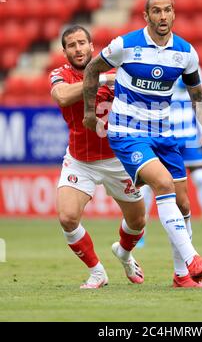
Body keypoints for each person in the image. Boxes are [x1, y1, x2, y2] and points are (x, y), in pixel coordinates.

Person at [82, 0, 202, 289]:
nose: (163, 16)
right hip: (127, 132)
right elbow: (93, 69)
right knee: (162, 184)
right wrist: (88, 113)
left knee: (184, 203)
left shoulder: (185, 52)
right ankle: (192, 260)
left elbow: (199, 98)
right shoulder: (126, 45)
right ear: (146, 17)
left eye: (168, 10)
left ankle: (181, 276)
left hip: (163, 132)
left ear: (174, 14)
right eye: (157, 11)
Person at [49, 25, 146, 289]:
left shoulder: (118, 74)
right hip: (81, 160)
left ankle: (124, 254)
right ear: (64, 51)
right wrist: (99, 80)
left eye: (82, 43)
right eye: (72, 45)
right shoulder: (61, 75)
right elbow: (61, 96)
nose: (78, 49)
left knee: (137, 221)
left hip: (118, 159)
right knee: (68, 218)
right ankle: (97, 272)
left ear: (92, 47)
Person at [138, 77, 202, 248]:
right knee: (149, 186)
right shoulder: (154, 63)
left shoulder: (190, 62)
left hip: (187, 138)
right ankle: (140, 233)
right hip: (162, 136)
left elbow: (198, 98)